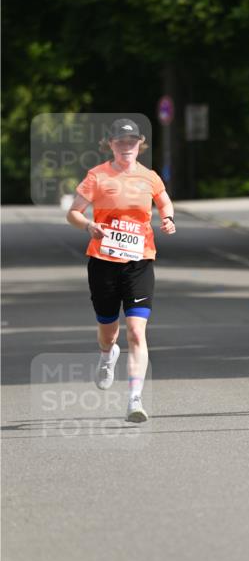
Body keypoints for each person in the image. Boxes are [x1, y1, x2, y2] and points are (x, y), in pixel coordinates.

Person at [66, 118, 176, 422]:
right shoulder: (97, 176)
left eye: (131, 142)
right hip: (103, 262)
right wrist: (89, 225)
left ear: (140, 144)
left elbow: (164, 202)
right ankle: (106, 355)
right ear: (110, 144)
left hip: (140, 261)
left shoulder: (149, 177)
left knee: (137, 333)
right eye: (120, 142)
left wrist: (168, 219)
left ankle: (134, 399)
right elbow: (73, 212)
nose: (126, 147)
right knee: (109, 331)